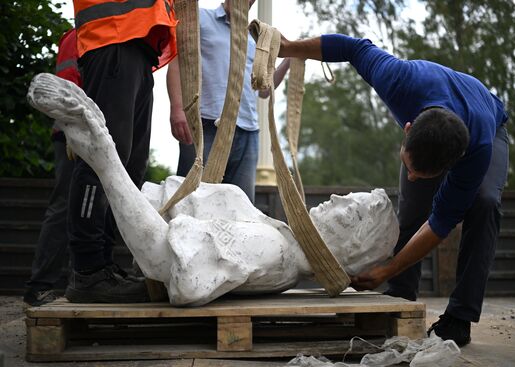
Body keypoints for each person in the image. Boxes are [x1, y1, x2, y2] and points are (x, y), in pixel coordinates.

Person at [28, 72, 399, 307]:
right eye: (346, 196)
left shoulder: (272, 247)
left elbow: (173, 265)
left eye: (349, 211)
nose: (334, 199)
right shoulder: (279, 240)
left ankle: (90, 273)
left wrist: (106, 159)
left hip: (123, 198)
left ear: (350, 248)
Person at [277, 33, 509, 346]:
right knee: (412, 209)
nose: (411, 177)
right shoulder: (398, 79)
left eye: (421, 173)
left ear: (449, 167)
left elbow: (440, 224)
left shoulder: (476, 150)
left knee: (484, 203)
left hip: (490, 125)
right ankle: (401, 295)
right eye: (408, 166)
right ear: (408, 128)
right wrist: (289, 49)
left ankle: (460, 316)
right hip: (436, 116)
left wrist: (385, 269)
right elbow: (352, 47)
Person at [64, 0, 178, 303]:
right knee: (101, 161)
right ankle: (88, 270)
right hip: (112, 40)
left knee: (129, 168)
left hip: (137, 49)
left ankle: (105, 266)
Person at [167, 0, 290, 203]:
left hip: (247, 133)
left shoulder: (255, 39)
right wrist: (178, 109)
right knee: (190, 203)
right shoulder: (200, 18)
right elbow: (177, 61)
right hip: (204, 125)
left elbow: (264, 91)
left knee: (239, 209)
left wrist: (289, 58)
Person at [23, 29, 80, 307]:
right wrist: (72, 130)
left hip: (80, 134)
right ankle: (40, 285)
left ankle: (76, 282)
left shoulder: (83, 35)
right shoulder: (80, 36)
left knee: (78, 207)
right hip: (74, 135)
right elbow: (67, 86)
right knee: (65, 206)